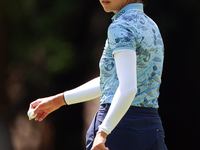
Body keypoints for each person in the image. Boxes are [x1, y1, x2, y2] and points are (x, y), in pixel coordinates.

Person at [28, 0, 168, 149]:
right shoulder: (152, 26)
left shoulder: (120, 26)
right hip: (152, 129)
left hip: (118, 130)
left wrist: (102, 132)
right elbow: (111, 82)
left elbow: (128, 88)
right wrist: (59, 100)